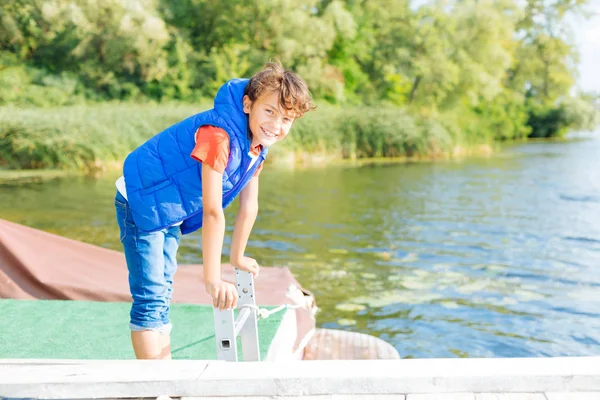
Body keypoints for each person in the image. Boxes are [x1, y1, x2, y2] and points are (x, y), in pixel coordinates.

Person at [114, 61, 314, 359]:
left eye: (286, 118)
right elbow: (212, 211)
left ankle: (163, 378)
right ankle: (156, 389)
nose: (276, 124)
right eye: (269, 112)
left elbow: (249, 205)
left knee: (163, 291)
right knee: (151, 298)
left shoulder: (256, 147)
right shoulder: (218, 137)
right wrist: (213, 279)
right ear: (248, 104)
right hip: (143, 198)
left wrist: (237, 256)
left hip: (168, 205)